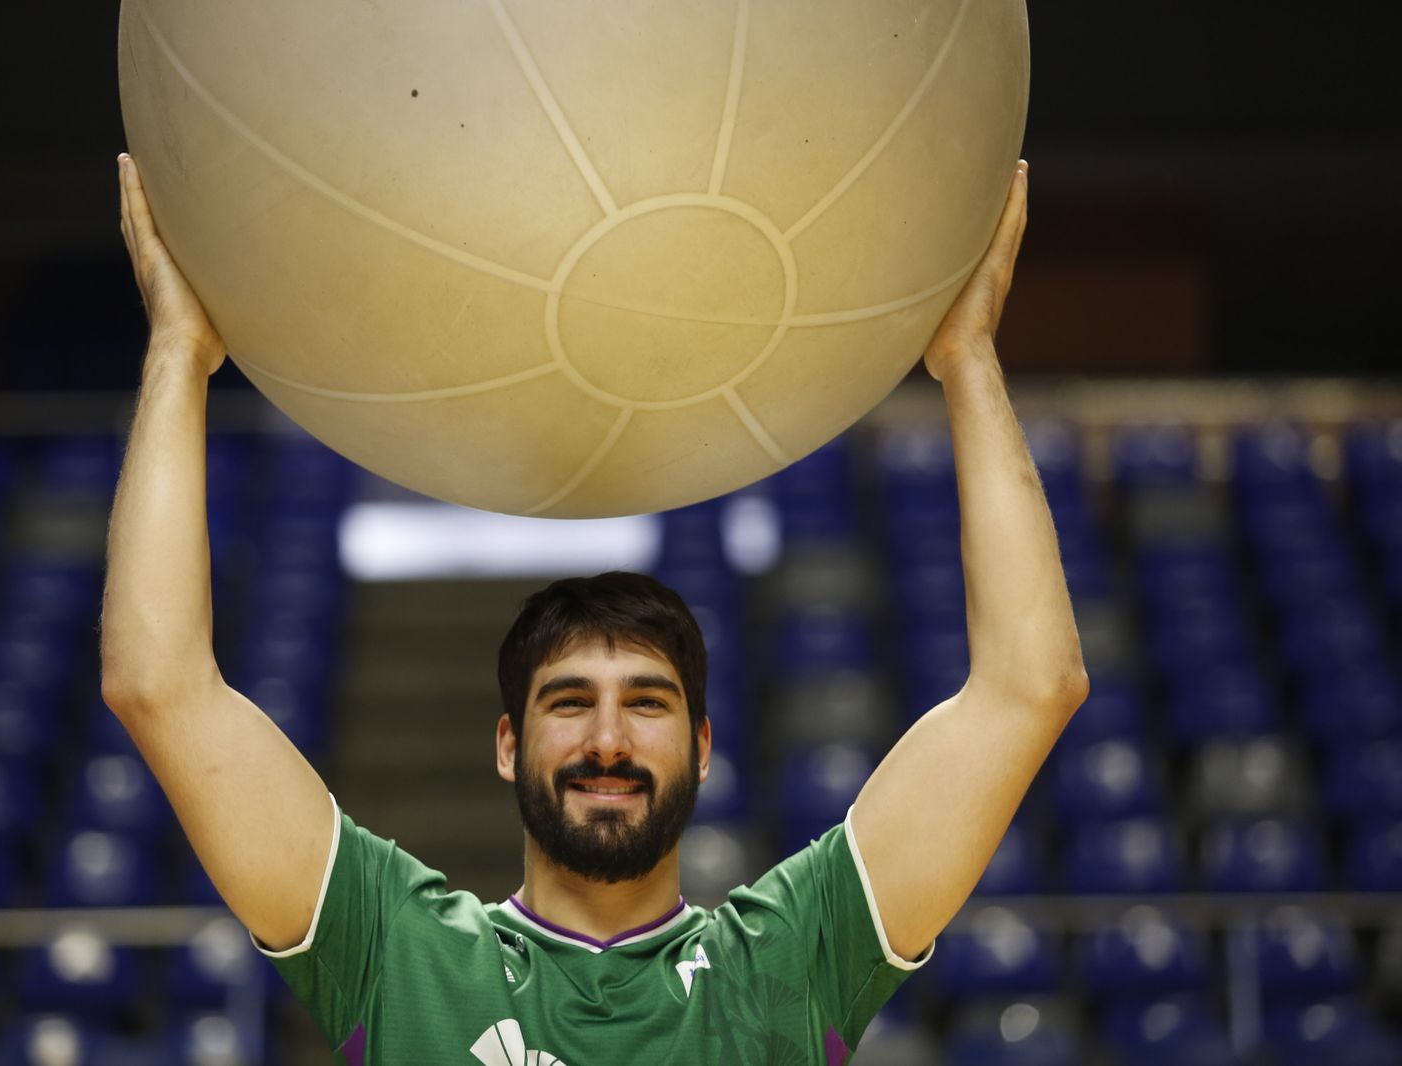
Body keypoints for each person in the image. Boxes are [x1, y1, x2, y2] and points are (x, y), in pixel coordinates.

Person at [102, 154, 1086, 1063]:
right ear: (505, 741)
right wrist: (177, 353)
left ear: (701, 745)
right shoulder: (394, 950)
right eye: (569, 700)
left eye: (646, 702)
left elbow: (1028, 686)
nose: (606, 738)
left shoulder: (787, 962)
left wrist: (969, 361)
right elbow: (159, 684)